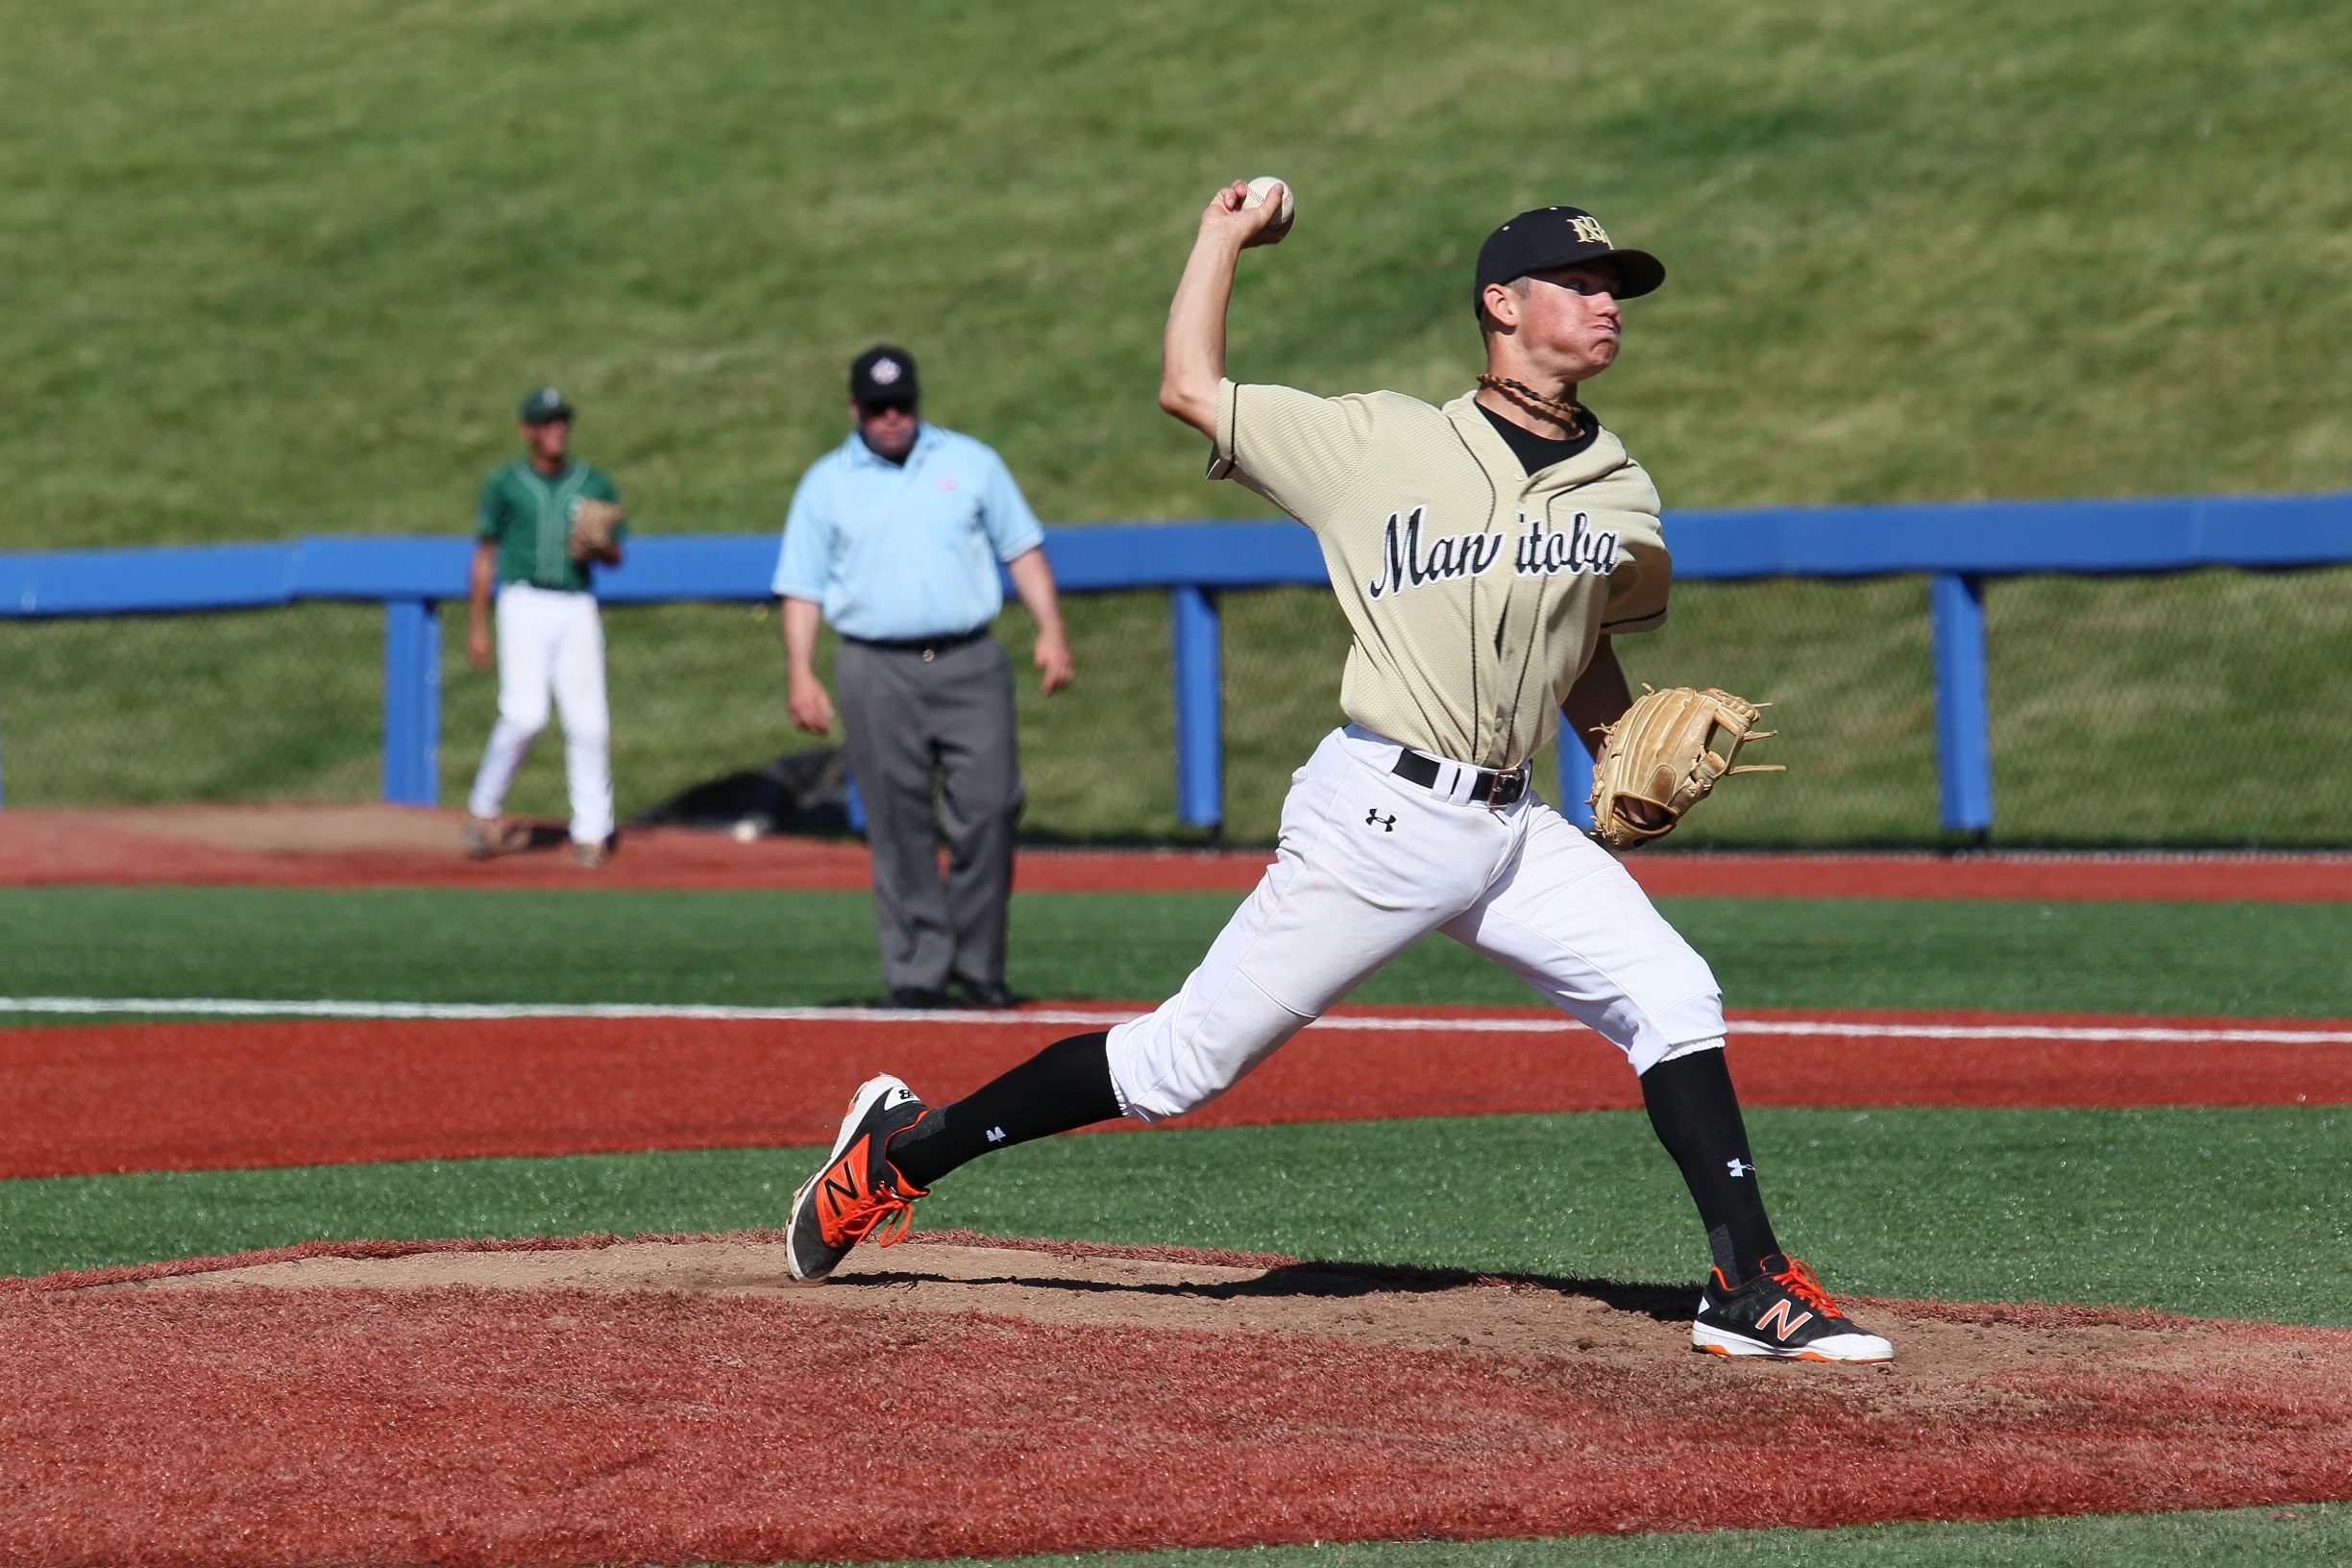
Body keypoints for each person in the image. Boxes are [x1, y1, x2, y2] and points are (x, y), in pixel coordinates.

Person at [780, 192, 1896, 1365]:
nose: (1606, 303)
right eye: (1579, 283)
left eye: (1615, 286)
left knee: (1672, 993)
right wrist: (1221, 238)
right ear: (1501, 305)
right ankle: (900, 1153)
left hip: (1513, 826)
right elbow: (1189, 386)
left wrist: (1621, 747)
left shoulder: (1622, 488)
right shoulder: (1379, 442)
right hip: (1381, 814)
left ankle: (1748, 1284)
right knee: (1176, 1068)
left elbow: (1582, 648)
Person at [774, 346, 1076, 1010]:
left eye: (901, 404)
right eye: (876, 406)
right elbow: (801, 586)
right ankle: (918, 970)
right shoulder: (825, 483)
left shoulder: (971, 463)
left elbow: (1022, 547)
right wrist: (801, 672)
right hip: (874, 666)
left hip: (969, 659)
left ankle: (979, 966)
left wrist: (1050, 629)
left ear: (917, 402)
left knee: (992, 806)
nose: (890, 417)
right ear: (853, 408)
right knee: (896, 819)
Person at [461, 387, 626, 869]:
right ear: (527, 431)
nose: (556, 429)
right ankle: (483, 808)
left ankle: (591, 833)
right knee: (525, 715)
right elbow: (485, 555)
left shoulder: (593, 481)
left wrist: (601, 546)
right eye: (546, 422)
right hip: (523, 602)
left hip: (576, 605)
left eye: (561, 421)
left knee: (588, 723)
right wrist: (477, 626)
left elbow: (616, 555)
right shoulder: (504, 484)